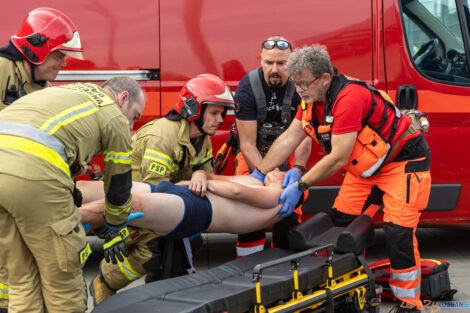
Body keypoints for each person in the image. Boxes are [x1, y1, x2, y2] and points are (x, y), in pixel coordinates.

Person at [252, 44, 431, 312]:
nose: (299, 90)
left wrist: (300, 185)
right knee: (340, 228)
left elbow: (338, 158)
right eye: (296, 84)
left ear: (325, 78)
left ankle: (409, 304)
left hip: (403, 165)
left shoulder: (349, 98)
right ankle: (351, 289)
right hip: (366, 169)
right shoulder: (311, 100)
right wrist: (260, 171)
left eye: (304, 84)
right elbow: (289, 138)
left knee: (398, 233)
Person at [89, 73, 238, 305]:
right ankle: (106, 281)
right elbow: (154, 191)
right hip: (132, 207)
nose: (220, 119)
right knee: (153, 249)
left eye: (223, 113)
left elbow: (210, 179)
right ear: (193, 110)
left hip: (163, 203)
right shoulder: (163, 135)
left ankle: (161, 292)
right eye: (215, 113)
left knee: (190, 239)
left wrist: (201, 175)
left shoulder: (202, 140)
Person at [0, 77, 146, 313]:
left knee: (21, 280)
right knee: (63, 280)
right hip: (31, 176)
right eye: (134, 117)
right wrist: (116, 227)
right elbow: (119, 182)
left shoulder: (72, 94)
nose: (130, 126)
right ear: (123, 98)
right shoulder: (113, 115)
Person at [0, 7, 85, 312]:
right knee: (11, 273)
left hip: (26, 191)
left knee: (28, 271)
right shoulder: (1, 70)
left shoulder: (44, 90)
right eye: (59, 54)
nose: (64, 63)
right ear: (35, 50)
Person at [234, 35, 311, 257]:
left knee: (288, 216)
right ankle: (246, 272)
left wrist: (298, 170)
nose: (274, 69)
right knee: (250, 217)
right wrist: (265, 177)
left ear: (292, 62)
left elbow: (304, 136)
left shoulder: (301, 86)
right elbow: (247, 144)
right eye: (269, 62)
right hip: (252, 157)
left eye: (281, 63)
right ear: (261, 60)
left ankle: (284, 267)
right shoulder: (247, 86)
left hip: (287, 158)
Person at [78, 169, 285, 241]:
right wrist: (199, 177)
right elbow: (207, 175)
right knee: (106, 187)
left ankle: (66, 217)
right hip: (182, 193)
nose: (276, 169)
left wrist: (207, 184)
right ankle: (54, 196)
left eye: (283, 172)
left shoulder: (279, 198)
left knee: (130, 204)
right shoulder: (256, 182)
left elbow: (237, 192)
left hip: (195, 210)